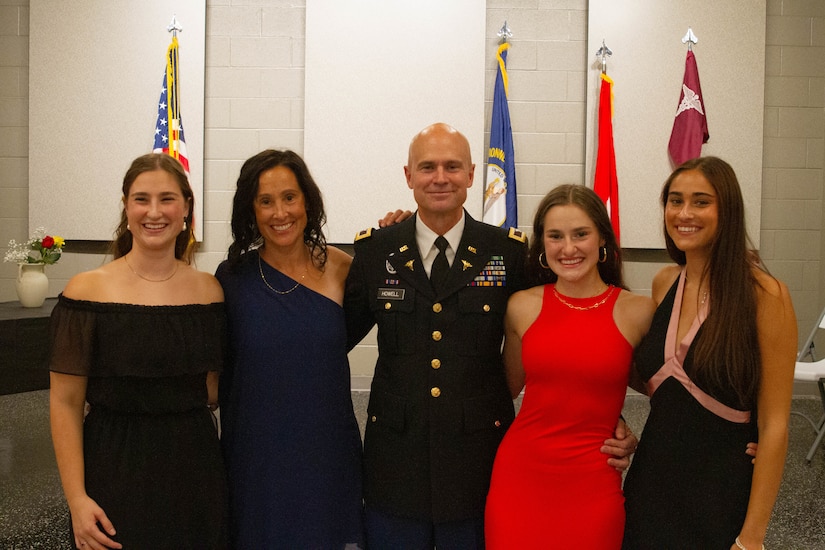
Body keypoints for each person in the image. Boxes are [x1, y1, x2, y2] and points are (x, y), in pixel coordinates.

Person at [344, 123, 637, 549]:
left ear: (471, 174)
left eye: (452, 166)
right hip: (396, 463)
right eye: (427, 167)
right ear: (408, 176)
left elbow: (566, 337)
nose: (440, 177)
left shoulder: (508, 252)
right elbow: (333, 341)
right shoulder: (376, 251)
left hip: (479, 462)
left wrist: (610, 415)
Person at [49, 153, 228, 549]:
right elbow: (65, 403)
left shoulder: (209, 292)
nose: (154, 212)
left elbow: (211, 388)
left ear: (186, 208)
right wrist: (77, 500)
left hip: (195, 474)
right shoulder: (87, 291)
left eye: (167, 199)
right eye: (141, 199)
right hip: (113, 470)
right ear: (126, 207)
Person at [622, 157, 797, 550]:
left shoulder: (765, 295)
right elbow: (657, 380)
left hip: (719, 492)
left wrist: (751, 538)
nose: (684, 213)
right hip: (651, 483)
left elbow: (775, 425)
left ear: (727, 210)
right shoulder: (664, 282)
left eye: (701, 201)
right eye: (675, 200)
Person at [483, 184, 656, 548]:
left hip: (595, 480)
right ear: (542, 245)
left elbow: (669, 395)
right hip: (520, 477)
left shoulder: (638, 311)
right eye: (555, 236)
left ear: (602, 238)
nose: (568, 248)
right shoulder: (521, 306)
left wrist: (635, 437)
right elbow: (505, 389)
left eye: (580, 234)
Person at [216, 149, 365, 548]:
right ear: (251, 210)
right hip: (256, 458)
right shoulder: (231, 279)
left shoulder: (343, 269)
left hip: (326, 454)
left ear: (307, 202)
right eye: (265, 201)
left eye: (289, 197)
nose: (280, 212)